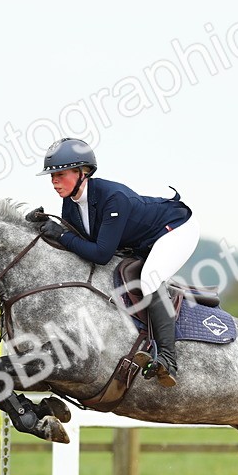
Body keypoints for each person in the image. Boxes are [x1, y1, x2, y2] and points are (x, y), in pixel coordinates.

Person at [35, 137, 199, 387]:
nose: (54, 181)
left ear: (83, 172)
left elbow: (100, 254)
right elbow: (77, 245)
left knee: (149, 278)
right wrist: (42, 226)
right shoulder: (70, 205)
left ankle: (168, 359)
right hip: (142, 241)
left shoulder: (113, 198)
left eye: (60, 174)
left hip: (175, 230)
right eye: (52, 176)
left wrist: (61, 234)